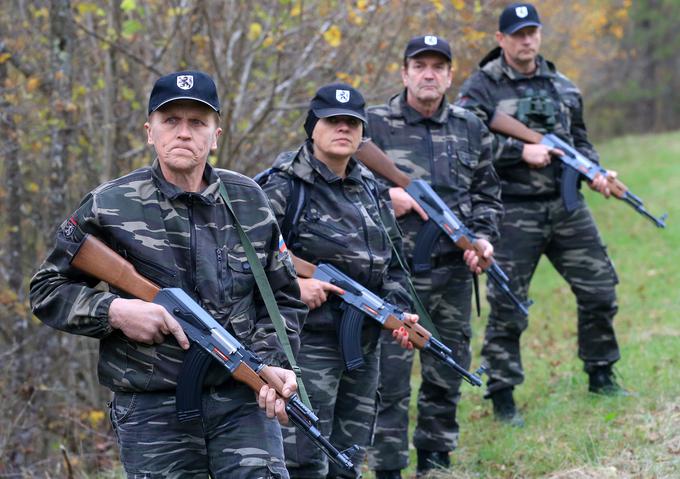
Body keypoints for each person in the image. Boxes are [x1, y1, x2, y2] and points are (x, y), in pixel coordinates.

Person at [29, 70, 308, 478]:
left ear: (215, 136)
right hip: (151, 410)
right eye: (170, 121)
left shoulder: (250, 200)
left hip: (242, 402)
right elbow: (46, 289)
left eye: (197, 123)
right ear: (149, 131)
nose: (183, 133)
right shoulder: (110, 203)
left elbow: (283, 297)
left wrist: (271, 363)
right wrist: (115, 311)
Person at [456, 2, 627, 426]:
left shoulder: (563, 86)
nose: (526, 40)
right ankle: (502, 394)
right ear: (501, 40)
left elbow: (580, 141)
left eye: (532, 31)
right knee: (510, 306)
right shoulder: (481, 88)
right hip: (510, 213)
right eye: (516, 34)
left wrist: (596, 172)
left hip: (567, 209)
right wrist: (518, 150)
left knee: (601, 289)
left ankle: (601, 372)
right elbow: (462, 145)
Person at [257, 83, 418, 479]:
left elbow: (396, 264)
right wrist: (294, 285)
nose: (343, 128)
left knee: (349, 454)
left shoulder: (371, 188)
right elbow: (244, 261)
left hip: (362, 344)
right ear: (313, 126)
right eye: (333, 121)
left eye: (352, 122)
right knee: (304, 457)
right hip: (304, 344)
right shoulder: (281, 187)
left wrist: (396, 311)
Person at [364, 36, 503, 478]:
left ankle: (436, 460)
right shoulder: (371, 126)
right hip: (391, 276)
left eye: (438, 66)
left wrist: (482, 239)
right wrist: (389, 197)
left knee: (447, 368)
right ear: (404, 72)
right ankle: (387, 467)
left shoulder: (469, 126)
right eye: (419, 65)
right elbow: (337, 187)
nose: (428, 73)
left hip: (452, 276)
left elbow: (488, 193)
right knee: (388, 381)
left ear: (449, 75)